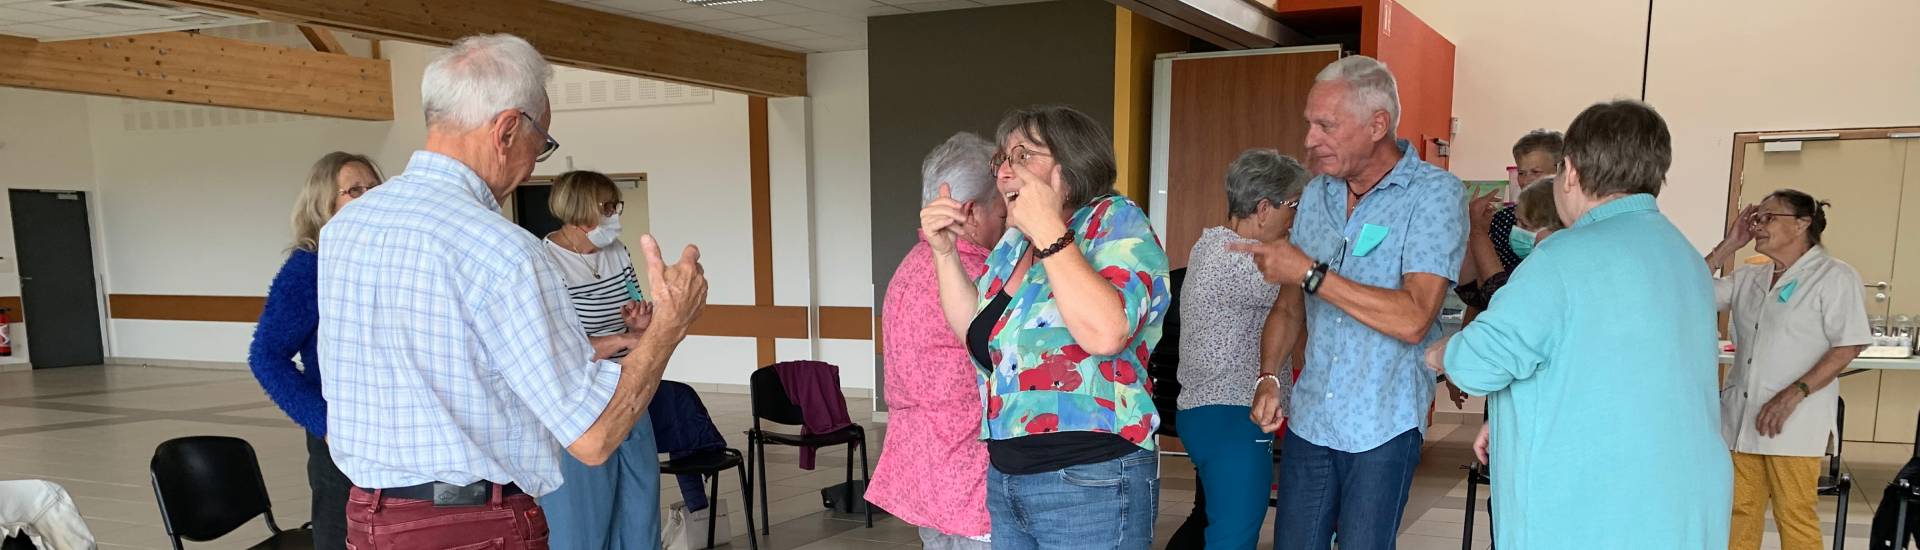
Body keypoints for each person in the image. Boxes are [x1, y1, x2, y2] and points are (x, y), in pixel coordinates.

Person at [316, 33, 708, 549]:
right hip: (474, 525)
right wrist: (669, 327)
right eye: (541, 143)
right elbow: (592, 438)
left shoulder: (346, 229)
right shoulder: (504, 250)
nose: (535, 162)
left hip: (371, 517)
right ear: (506, 129)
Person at [1425, 99, 1732, 549]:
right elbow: (1615, 366)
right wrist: (1516, 416)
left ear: (1569, 172)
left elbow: (1480, 364)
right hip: (1682, 499)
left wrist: (1438, 351)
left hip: (1595, 508)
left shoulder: (1562, 259)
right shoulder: (1682, 256)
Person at [1230, 55, 1466, 550]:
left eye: (1326, 125)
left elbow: (1414, 318)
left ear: (1377, 124)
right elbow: (1290, 307)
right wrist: (1269, 376)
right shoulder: (1317, 194)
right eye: (1309, 124)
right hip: (1313, 418)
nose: (1310, 139)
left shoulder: (1434, 195)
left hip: (1384, 423)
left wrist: (1312, 273)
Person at [918, 105, 1170, 550]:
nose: (1005, 171)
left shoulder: (1114, 221)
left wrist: (1050, 231)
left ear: (1072, 163)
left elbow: (1107, 332)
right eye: (1003, 159)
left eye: (1024, 155)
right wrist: (943, 253)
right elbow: (977, 335)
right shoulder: (1015, 244)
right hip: (1008, 477)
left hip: (1090, 478)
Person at [1706, 190, 1870, 550]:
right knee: (1738, 512)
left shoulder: (1834, 276)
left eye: (1768, 217)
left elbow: (1849, 345)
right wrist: (1729, 244)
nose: (1758, 226)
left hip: (1793, 421)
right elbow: (1689, 289)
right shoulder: (1751, 277)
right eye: (1756, 218)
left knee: (1793, 515)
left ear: (1802, 224)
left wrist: (1794, 393)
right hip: (1741, 418)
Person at [869, 132, 1003, 550]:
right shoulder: (978, 276)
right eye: (1003, 209)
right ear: (970, 211)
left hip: (926, 474)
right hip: (970, 479)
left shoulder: (910, 266)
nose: (1008, 221)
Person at [246, 151, 382, 550]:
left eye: (375, 187)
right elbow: (266, 356)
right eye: (354, 190)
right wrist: (325, 423)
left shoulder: (383, 260)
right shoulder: (309, 267)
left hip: (392, 428)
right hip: (341, 435)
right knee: (342, 534)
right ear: (325, 204)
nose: (369, 196)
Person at [1175, 148, 1307, 550]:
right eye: (1295, 206)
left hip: (1208, 412)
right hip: (1233, 413)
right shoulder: (1242, 259)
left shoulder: (1211, 245)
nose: (1296, 218)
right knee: (1233, 536)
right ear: (1264, 208)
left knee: (1212, 523)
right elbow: (1312, 294)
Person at [537, 170, 665, 550]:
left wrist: (640, 324)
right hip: (577, 398)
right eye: (606, 207)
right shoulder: (544, 262)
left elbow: (635, 302)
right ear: (578, 211)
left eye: (616, 206)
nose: (614, 215)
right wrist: (623, 338)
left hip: (627, 384)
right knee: (583, 519)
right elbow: (556, 344)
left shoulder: (618, 251)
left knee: (640, 506)